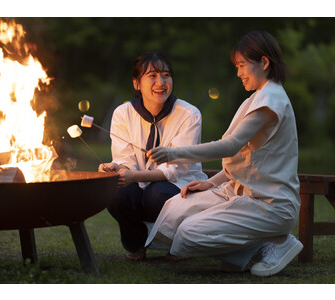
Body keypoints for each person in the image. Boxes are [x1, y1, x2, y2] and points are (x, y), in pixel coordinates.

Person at [145, 31, 303, 277]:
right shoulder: (258, 97)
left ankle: (273, 243)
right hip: (239, 191)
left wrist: (173, 153)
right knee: (176, 209)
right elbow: (246, 159)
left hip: (270, 204)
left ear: (264, 62)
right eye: (237, 66)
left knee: (188, 234)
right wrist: (210, 182)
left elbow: (229, 146)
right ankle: (247, 250)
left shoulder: (270, 99)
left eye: (242, 65)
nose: (238, 72)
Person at [98, 52, 207, 261]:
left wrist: (133, 176)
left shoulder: (189, 114)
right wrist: (116, 169)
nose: (161, 82)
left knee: (156, 194)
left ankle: (177, 243)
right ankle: (136, 244)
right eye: (153, 76)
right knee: (115, 192)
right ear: (137, 84)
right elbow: (124, 159)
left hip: (179, 185)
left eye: (166, 75)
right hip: (140, 186)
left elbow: (175, 169)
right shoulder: (123, 114)